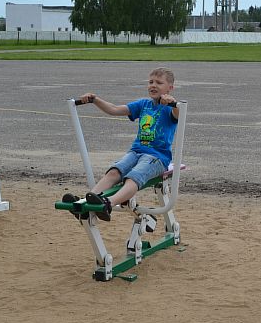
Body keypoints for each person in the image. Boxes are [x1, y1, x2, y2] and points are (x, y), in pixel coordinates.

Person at [68, 67, 180, 220]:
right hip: (136, 151)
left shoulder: (171, 108)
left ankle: (108, 203)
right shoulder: (144, 104)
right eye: (151, 82)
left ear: (170, 88)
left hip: (157, 157)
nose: (153, 85)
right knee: (114, 172)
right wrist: (95, 100)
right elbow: (114, 109)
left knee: (133, 177)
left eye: (159, 83)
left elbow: (178, 114)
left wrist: (173, 103)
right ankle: (86, 203)